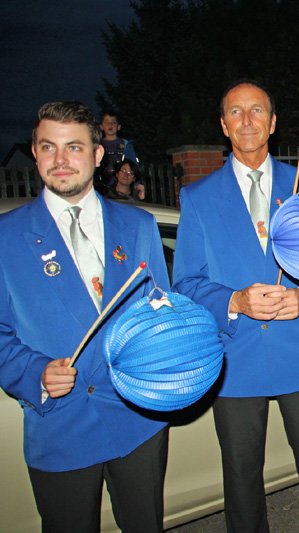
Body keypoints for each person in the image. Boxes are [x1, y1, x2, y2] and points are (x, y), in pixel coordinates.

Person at [172, 80, 299, 532]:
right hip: (236, 358)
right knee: (242, 479)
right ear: (223, 125)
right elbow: (185, 281)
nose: (246, 120)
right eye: (236, 112)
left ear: (272, 122)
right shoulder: (198, 197)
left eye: (256, 111)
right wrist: (234, 300)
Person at [0, 101, 170, 531]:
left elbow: (160, 313)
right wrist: (35, 373)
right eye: (48, 147)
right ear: (35, 153)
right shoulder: (7, 237)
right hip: (61, 425)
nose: (60, 159)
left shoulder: (139, 225)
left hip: (138, 421)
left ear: (97, 155)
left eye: (73, 147)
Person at [97, 110, 138, 188]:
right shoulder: (97, 145)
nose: (110, 125)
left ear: (118, 127)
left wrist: (137, 184)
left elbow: (133, 166)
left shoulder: (126, 145)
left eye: (113, 122)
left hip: (122, 185)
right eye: (107, 122)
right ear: (101, 126)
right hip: (101, 184)